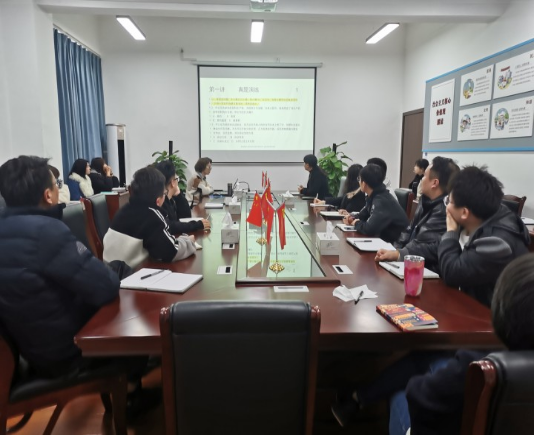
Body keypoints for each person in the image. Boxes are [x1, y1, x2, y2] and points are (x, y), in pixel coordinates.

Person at [331, 253, 534, 435]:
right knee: (431, 358)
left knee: (401, 390)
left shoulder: (476, 365)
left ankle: (357, 399)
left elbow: (418, 397)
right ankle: (356, 399)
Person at [0, 156, 120, 378]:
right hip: (67, 353)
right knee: (123, 297)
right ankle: (132, 386)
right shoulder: (47, 232)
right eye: (57, 184)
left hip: (29, 350)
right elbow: (106, 287)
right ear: (48, 195)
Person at [439, 166, 530, 307]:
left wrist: (451, 231)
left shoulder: (498, 243)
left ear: (464, 212)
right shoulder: (477, 218)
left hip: (498, 316)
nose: (446, 207)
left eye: (449, 201)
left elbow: (452, 273)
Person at [375, 157, 460, 272]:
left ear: (434, 183)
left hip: (425, 270)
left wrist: (398, 254)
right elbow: (409, 230)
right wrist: (394, 250)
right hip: (408, 262)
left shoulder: (444, 210)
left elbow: (423, 244)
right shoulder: (425, 200)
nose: (421, 180)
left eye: (424, 176)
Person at [104, 166, 197, 269]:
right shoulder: (152, 215)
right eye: (164, 193)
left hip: (109, 270)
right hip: (129, 273)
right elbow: (171, 252)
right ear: (158, 200)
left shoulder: (124, 209)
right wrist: (188, 241)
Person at [343, 164, 409, 243]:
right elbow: (362, 215)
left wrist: (356, 223)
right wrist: (351, 218)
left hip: (397, 244)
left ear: (364, 183)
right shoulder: (375, 195)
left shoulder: (382, 200)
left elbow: (369, 229)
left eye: (359, 179)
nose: (359, 182)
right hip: (385, 239)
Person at [154, 160, 211, 234]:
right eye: (176, 179)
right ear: (172, 182)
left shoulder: (171, 199)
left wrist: (179, 195)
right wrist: (197, 225)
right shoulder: (160, 201)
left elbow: (185, 217)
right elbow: (169, 226)